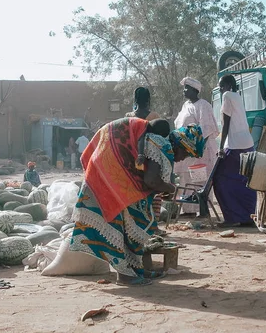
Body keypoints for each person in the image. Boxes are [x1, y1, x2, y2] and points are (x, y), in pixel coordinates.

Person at [70, 117, 205, 286]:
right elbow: (151, 180)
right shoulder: (162, 146)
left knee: (131, 223)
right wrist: (171, 188)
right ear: (181, 145)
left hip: (106, 172)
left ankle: (136, 269)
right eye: (185, 154)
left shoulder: (158, 142)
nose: (182, 159)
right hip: (108, 176)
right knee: (117, 226)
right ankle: (125, 275)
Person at [214, 74, 257, 227]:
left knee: (219, 179)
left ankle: (232, 217)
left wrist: (220, 148)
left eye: (221, 85)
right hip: (247, 144)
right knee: (244, 180)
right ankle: (249, 215)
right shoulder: (237, 96)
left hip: (234, 145)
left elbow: (226, 124)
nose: (220, 89)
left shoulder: (226, 96)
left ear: (226, 85)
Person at [174, 77, 220, 215]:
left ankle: (202, 210)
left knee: (200, 180)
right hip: (187, 150)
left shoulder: (203, 105)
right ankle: (188, 210)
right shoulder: (185, 106)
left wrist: (196, 149)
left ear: (195, 90)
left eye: (187, 88)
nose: (184, 90)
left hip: (200, 151)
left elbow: (205, 130)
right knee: (186, 179)